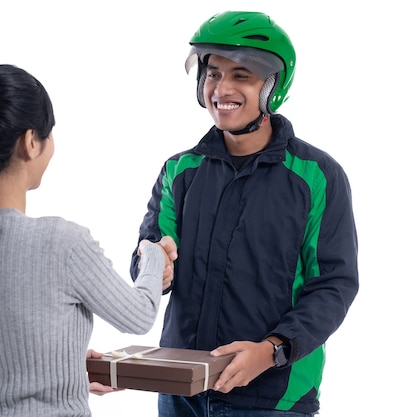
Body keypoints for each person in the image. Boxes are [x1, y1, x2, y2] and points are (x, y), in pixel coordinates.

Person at [0, 64, 177, 417]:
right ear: (31, 142)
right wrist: (153, 254)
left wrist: (58, 363)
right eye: (49, 135)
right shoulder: (60, 243)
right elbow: (139, 315)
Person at [130, 11, 359, 416]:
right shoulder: (179, 171)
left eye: (241, 76)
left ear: (273, 86)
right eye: (213, 74)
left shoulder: (316, 177)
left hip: (271, 397)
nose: (222, 88)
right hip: (182, 390)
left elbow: (334, 286)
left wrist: (272, 351)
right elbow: (150, 252)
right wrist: (155, 265)